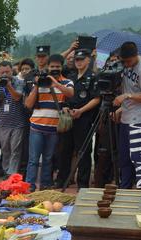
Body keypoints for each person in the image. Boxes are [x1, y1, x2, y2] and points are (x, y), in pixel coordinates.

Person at [24, 54, 73, 190]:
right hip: (36, 127)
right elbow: (28, 104)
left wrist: (55, 83)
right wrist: (36, 86)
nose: (55, 69)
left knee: (48, 159)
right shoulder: (39, 82)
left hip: (53, 128)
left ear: (62, 67)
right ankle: (30, 185)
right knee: (33, 160)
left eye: (58, 66)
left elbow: (70, 93)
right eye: (52, 67)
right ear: (48, 67)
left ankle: (45, 185)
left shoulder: (67, 82)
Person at [52, 49, 97, 188]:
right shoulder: (70, 76)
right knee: (64, 150)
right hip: (68, 118)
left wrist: (81, 111)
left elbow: (97, 98)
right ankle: (61, 181)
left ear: (88, 60)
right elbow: (64, 96)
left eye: (81, 59)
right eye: (76, 59)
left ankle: (82, 184)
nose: (78, 62)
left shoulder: (93, 77)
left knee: (83, 151)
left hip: (84, 118)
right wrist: (65, 106)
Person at [112, 41, 141, 189]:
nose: (127, 64)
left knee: (137, 158)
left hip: (139, 120)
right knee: (124, 157)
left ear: (136, 55)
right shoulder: (123, 65)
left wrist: (128, 96)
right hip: (125, 118)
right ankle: (124, 187)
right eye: (124, 61)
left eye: (129, 61)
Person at [0, 60, 28, 176]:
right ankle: (6, 171)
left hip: (18, 122)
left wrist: (8, 85)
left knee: (15, 150)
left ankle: (12, 174)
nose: (5, 75)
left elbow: (17, 97)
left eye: (7, 72)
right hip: (4, 122)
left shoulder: (18, 82)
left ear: (12, 71)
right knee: (5, 149)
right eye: (2, 72)